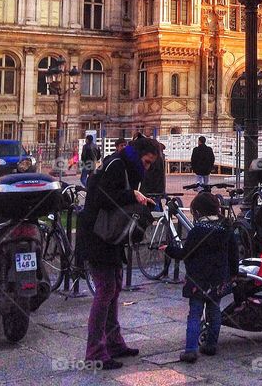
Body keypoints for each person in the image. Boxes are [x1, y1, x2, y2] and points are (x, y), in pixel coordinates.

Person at [78, 137, 158, 369]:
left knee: (114, 286)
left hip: (109, 237)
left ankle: (113, 342)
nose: (148, 167)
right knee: (105, 289)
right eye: (146, 162)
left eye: (151, 164)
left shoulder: (124, 165)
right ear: (137, 155)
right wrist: (132, 195)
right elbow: (102, 196)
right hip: (98, 235)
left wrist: (136, 198)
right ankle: (94, 351)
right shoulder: (117, 165)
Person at [166, 192, 239, 363]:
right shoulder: (226, 228)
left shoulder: (197, 231)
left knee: (194, 314)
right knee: (214, 312)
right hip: (218, 280)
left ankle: (191, 350)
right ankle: (211, 345)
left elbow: (185, 253)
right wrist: (233, 274)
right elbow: (233, 254)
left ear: (198, 212)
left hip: (197, 281)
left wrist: (168, 249)